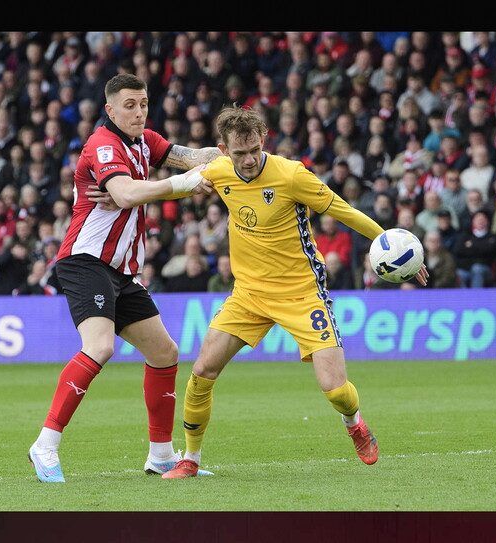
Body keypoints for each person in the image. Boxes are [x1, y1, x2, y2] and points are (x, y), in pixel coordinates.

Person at [159, 105, 428, 479]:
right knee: (202, 370)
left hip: (302, 292)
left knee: (334, 390)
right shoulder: (217, 172)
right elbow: (172, 175)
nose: (250, 159)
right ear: (224, 151)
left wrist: (391, 245)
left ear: (264, 139)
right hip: (249, 294)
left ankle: (354, 423)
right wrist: (118, 195)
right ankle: (190, 458)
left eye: (255, 149)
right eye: (240, 153)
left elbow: (342, 209)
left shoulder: (291, 175)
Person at [27, 73, 223, 483]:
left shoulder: (146, 141)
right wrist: (185, 184)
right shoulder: (102, 144)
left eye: (144, 103)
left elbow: (192, 156)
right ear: (110, 110)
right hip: (87, 261)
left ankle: (161, 455)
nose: (138, 112)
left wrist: (234, 153)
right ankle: (45, 444)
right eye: (130, 105)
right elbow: (128, 194)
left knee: (165, 353)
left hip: (123, 270)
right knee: (99, 347)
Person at [453, 211, 496, 288]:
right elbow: (458, 251)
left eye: (483, 219)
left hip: (486, 270)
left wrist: (471, 246)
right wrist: (481, 248)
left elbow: (491, 252)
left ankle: (476, 298)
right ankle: (463, 299)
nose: (480, 221)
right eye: (478, 219)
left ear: (488, 221)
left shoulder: (493, 237)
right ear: (473, 221)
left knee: (477, 269)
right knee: (460, 273)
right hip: (467, 268)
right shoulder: (465, 236)